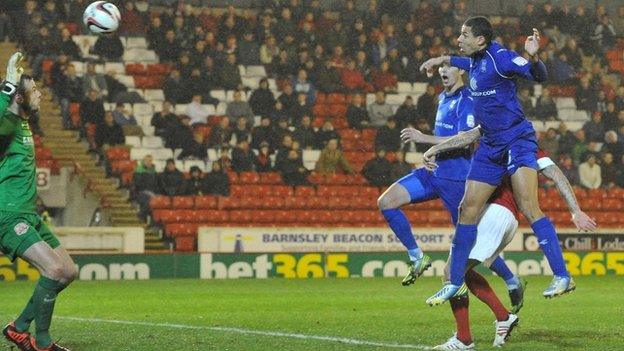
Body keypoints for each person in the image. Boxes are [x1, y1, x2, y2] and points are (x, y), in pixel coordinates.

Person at [420, 18, 574, 302]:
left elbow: (536, 75)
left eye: (464, 34)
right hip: (490, 143)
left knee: (529, 205)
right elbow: (461, 62)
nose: (459, 38)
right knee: (467, 208)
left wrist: (534, 55)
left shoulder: (501, 57)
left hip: (516, 139)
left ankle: (562, 275)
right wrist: (440, 59)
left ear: (480, 40)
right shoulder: (475, 60)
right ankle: (454, 281)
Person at [0, 53, 76, 351]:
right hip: (8, 215)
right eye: (34, 91)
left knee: (67, 271)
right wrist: (6, 86)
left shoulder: (23, 123)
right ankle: (42, 343)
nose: (40, 95)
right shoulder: (6, 127)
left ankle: (19, 328)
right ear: (19, 98)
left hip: (28, 215)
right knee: (54, 270)